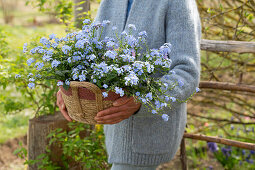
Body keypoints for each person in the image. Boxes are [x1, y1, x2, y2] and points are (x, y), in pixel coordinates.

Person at [57, 0, 201, 169]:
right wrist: (67, 86)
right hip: (115, 135)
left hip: (150, 136)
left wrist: (140, 101)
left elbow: (187, 73)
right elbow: (90, 53)